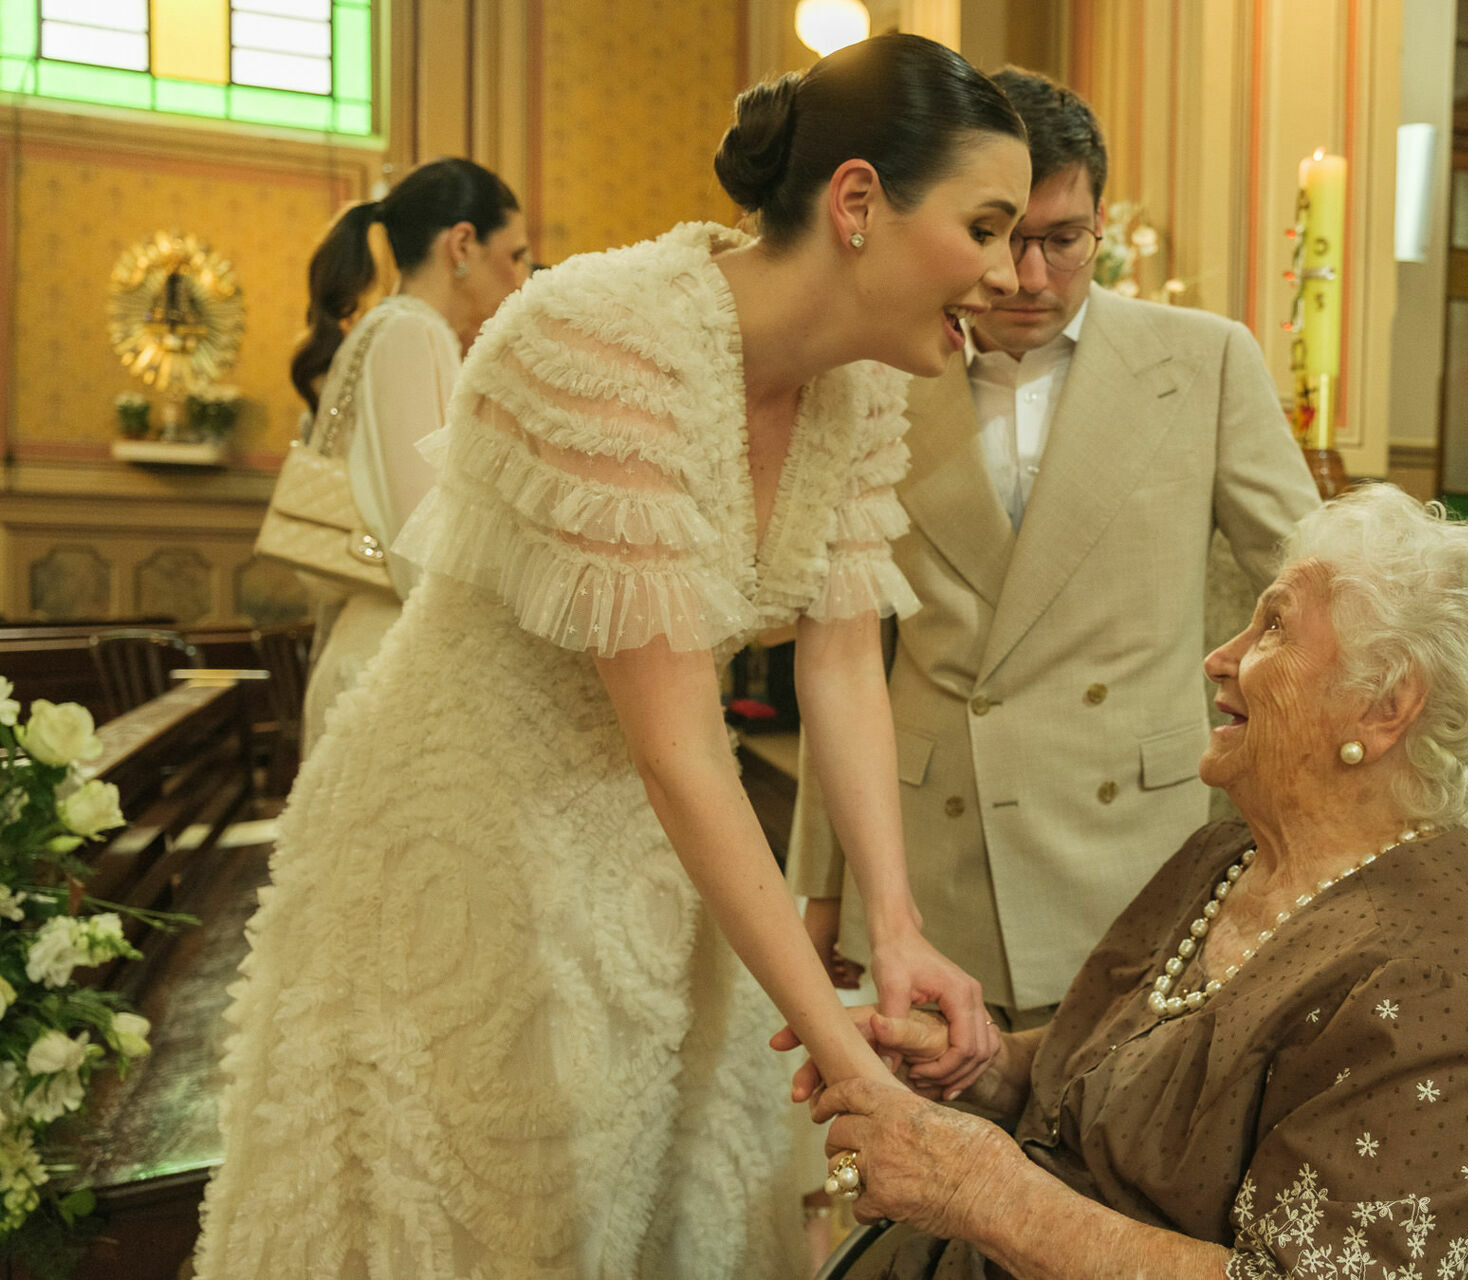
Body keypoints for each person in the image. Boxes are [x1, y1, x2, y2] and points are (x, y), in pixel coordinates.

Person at [194, 35, 1029, 1280]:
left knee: (661, 1189)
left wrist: (896, 928)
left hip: (653, 838)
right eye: (990, 226)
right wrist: (856, 1071)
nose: (1013, 274)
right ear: (858, 203)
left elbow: (843, 663)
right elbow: (680, 739)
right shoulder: (603, 337)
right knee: (505, 1202)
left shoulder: (860, 385)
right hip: (466, 833)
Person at [791, 485, 1468, 1279]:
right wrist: (982, 1067)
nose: (1219, 657)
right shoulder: (1230, 856)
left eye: (1273, 626)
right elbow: (1139, 1089)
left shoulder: (1433, 991)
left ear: (1384, 708)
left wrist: (985, 1191)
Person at [787, 67, 1322, 1030]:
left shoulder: (1205, 361)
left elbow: (1307, 586)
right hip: (932, 848)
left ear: (1101, 229)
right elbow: (842, 646)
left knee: (1112, 1144)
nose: (1029, 278)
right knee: (936, 1147)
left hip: (1130, 843)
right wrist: (826, 881)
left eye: (1061, 241)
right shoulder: (876, 370)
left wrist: (1313, 807)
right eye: (999, 238)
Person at [290, 157, 532, 753]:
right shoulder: (410, 331)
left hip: (390, 652)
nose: (524, 278)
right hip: (390, 667)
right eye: (518, 255)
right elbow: (420, 540)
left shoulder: (398, 328)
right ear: (463, 243)